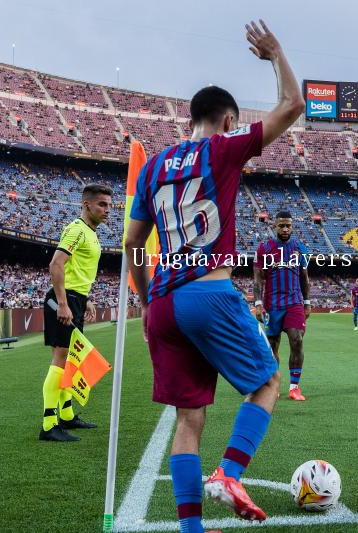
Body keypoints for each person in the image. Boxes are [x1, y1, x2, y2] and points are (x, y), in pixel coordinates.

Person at [124, 20, 304, 530]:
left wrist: (143, 302)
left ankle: (191, 528)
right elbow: (292, 106)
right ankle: (229, 472)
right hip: (208, 292)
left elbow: (134, 243)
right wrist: (275, 54)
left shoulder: (156, 165)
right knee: (268, 379)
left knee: (189, 418)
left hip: (162, 303)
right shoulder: (222, 149)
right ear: (227, 120)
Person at [40, 183, 111, 442]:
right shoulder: (76, 230)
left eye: (109, 206)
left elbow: (77, 271)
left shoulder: (91, 233)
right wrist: (62, 302)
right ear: (86, 204)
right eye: (102, 204)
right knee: (60, 360)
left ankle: (67, 415)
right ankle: (49, 424)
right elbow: (56, 264)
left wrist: (86, 299)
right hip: (65, 300)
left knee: (72, 359)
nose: (107, 210)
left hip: (76, 299)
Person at [253, 211, 311, 401]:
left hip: (294, 302)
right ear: (274, 226)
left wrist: (307, 302)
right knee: (272, 346)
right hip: (272, 304)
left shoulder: (299, 247)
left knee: (297, 340)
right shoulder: (264, 248)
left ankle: (294, 387)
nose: (285, 229)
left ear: (292, 226)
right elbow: (258, 279)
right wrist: (258, 304)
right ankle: (274, 385)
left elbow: (304, 277)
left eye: (288, 225)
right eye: (281, 225)